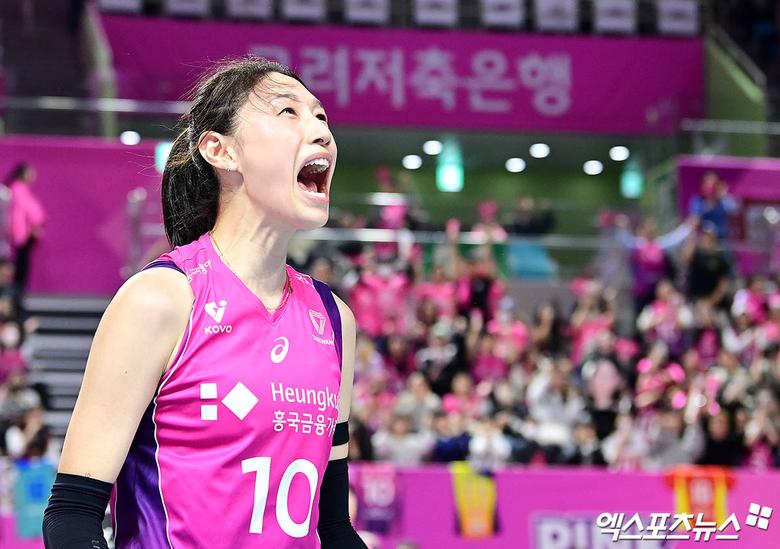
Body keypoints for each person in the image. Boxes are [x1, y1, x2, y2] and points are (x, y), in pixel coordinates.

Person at [42, 57, 367, 548]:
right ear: (221, 150)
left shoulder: (334, 319)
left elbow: (334, 528)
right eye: (289, 112)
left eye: (321, 116)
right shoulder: (161, 299)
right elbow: (72, 517)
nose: (322, 131)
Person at [4, 162, 45, 291]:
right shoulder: (18, 190)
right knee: (21, 265)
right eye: (30, 173)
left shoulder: (19, 189)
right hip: (24, 233)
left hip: (24, 232)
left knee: (22, 264)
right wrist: (34, 226)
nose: (33, 176)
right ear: (23, 174)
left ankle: (17, 294)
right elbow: (25, 211)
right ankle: (16, 295)